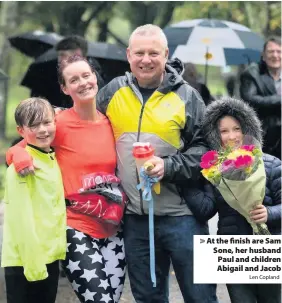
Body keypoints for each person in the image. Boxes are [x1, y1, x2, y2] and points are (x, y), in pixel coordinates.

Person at [97, 24, 218, 303]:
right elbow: (84, 124)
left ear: (166, 54)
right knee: (148, 299)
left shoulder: (188, 95)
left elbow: (207, 150)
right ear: (129, 55)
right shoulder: (113, 91)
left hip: (183, 216)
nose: (146, 60)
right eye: (139, 52)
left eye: (154, 53)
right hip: (135, 219)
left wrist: (168, 166)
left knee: (201, 297)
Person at [6, 55, 126, 303]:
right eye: (74, 80)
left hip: (113, 228)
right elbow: (19, 148)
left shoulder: (110, 122)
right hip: (75, 227)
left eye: (86, 75)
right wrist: (19, 158)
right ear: (64, 88)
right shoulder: (57, 123)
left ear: (95, 77)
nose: (82, 83)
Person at [185, 97, 281, 303]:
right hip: (232, 249)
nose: (232, 136)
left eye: (237, 129)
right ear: (215, 136)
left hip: (268, 251)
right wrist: (185, 180)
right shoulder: (215, 172)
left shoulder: (271, 165)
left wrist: (269, 213)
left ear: (248, 129)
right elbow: (206, 209)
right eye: (224, 131)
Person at [2, 98, 67, 303]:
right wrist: (35, 268)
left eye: (47, 122)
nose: (42, 130)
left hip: (49, 258)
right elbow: (21, 221)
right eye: (34, 125)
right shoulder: (21, 169)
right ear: (21, 131)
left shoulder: (51, 158)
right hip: (26, 263)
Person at [30, 35, 104, 108]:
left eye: (63, 55)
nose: (60, 59)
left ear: (78, 56)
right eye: (60, 55)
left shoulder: (94, 80)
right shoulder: (52, 72)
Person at [240, 36, 281, 159]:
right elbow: (249, 99)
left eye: (279, 51)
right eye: (271, 51)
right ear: (263, 55)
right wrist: (278, 99)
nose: (275, 55)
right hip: (263, 135)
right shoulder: (252, 73)